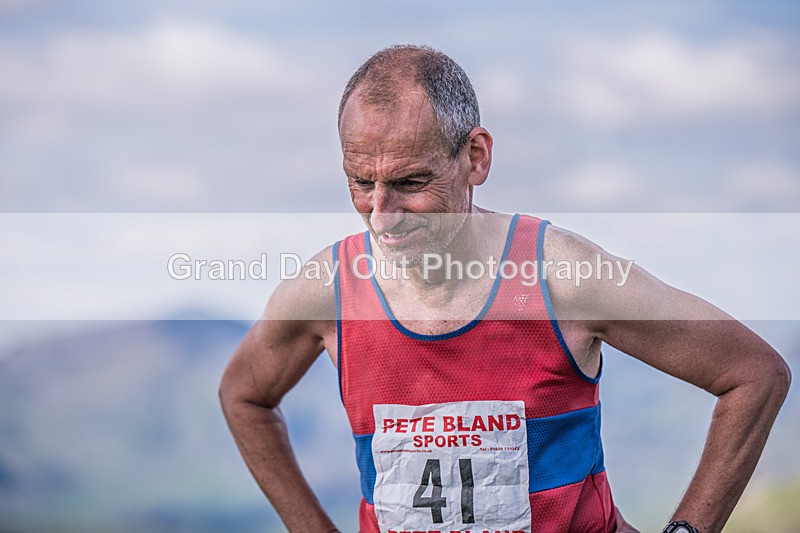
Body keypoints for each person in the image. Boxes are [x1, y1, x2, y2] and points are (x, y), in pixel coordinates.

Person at [219, 45, 791, 533]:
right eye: (359, 182)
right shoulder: (329, 291)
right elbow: (244, 395)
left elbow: (753, 373)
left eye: (410, 183)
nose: (381, 215)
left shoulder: (564, 276)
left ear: (475, 157)